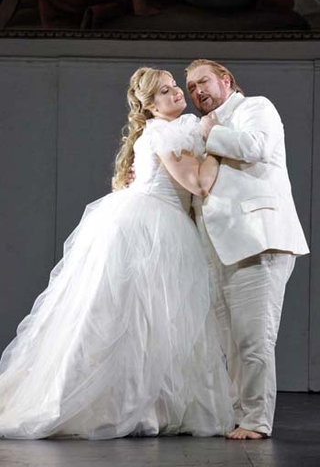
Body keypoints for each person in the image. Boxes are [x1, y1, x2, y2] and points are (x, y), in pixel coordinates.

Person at [0, 67, 234, 440]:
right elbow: (196, 183)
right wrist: (218, 144)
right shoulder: (164, 131)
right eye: (164, 92)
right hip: (149, 226)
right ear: (150, 107)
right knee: (136, 315)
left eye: (175, 86)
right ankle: (126, 405)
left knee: (147, 315)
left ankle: (149, 405)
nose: (176, 93)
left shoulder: (170, 130)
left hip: (153, 221)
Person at [185, 59, 309, 440]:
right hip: (220, 246)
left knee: (255, 338)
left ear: (226, 80)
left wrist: (211, 131)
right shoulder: (207, 127)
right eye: (190, 87)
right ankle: (243, 416)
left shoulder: (254, 107)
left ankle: (256, 420)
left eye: (203, 81)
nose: (196, 91)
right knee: (233, 342)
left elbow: (256, 146)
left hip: (259, 239)